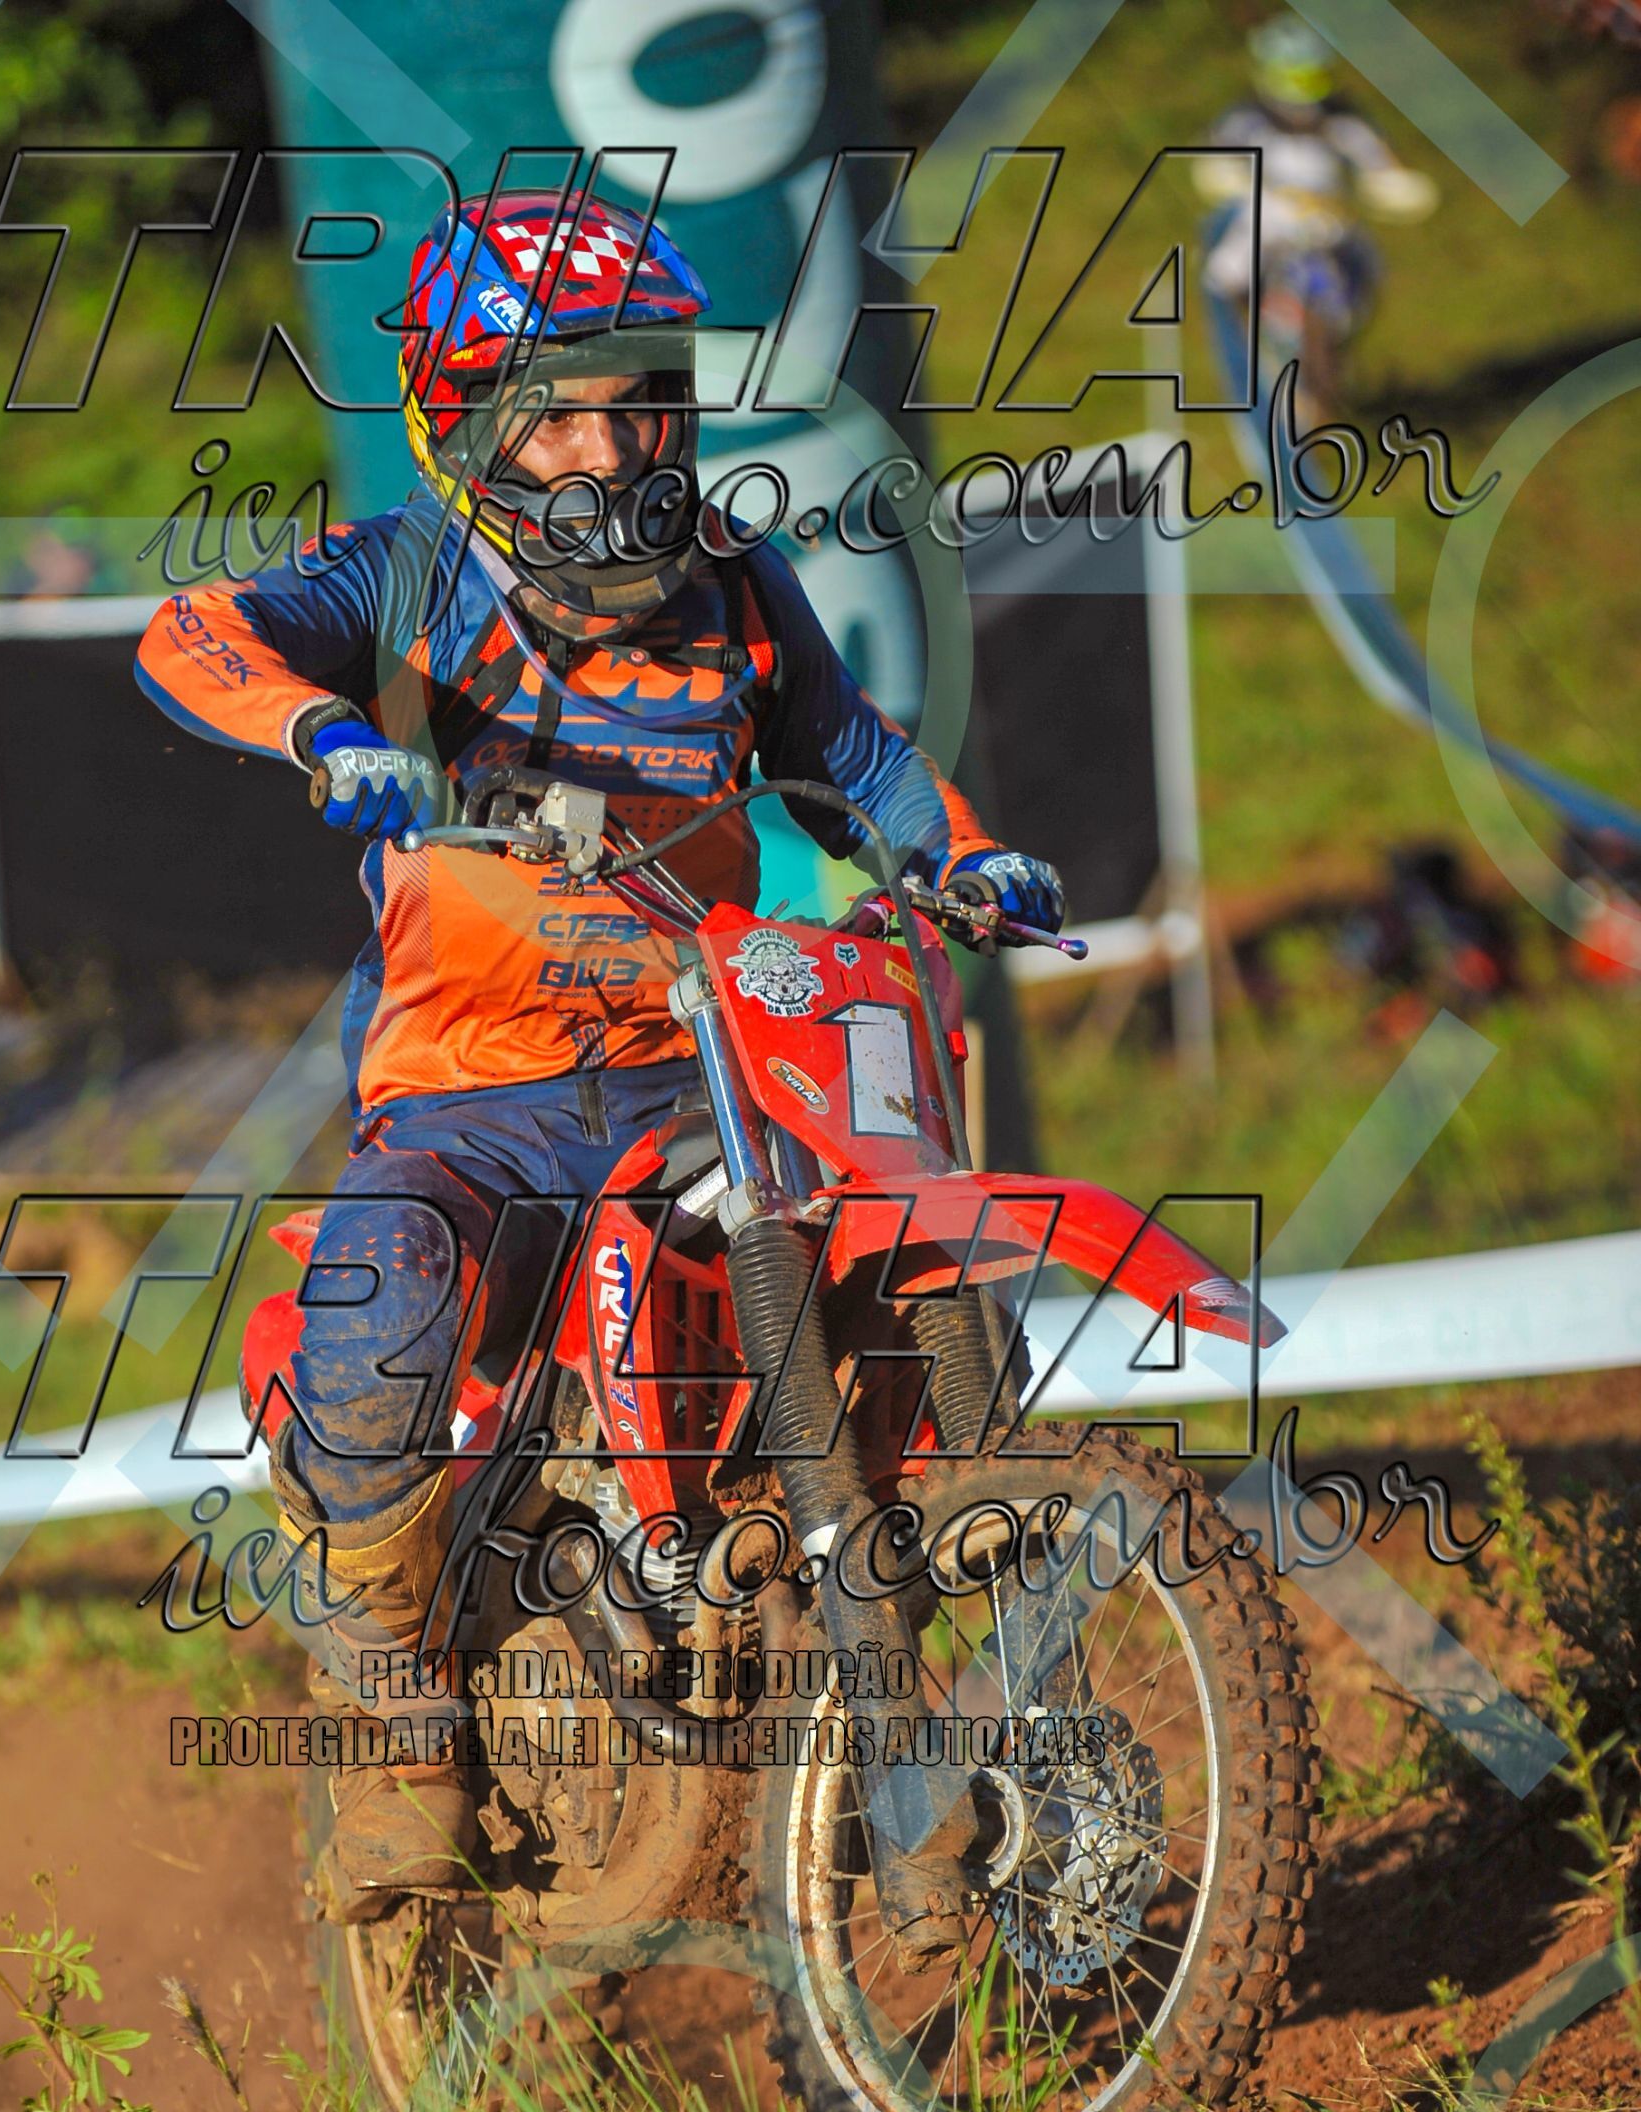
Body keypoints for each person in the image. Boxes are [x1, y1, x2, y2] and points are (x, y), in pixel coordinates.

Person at [137, 187, 1063, 1916]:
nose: (609, 448)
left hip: (697, 1059)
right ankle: (405, 1743)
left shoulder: (735, 580)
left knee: (907, 1255)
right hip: (470, 1093)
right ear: (465, 424)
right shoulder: (408, 573)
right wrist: (327, 730)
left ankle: (923, 1617)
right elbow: (190, 634)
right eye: (556, 414)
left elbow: (856, 756)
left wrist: (963, 853)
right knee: (381, 1303)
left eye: (637, 402)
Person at [1197, 15, 1438, 418]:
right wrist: (1238, 180)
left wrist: (1394, 185)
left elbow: (1378, 164)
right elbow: (1215, 164)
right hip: (1268, 220)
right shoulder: (1247, 120)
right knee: (1225, 276)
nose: (1306, 86)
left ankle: (1330, 366)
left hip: (1330, 225)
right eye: (1298, 74)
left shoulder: (1343, 120)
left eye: (1313, 74)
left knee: (1361, 274)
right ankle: (1257, 351)